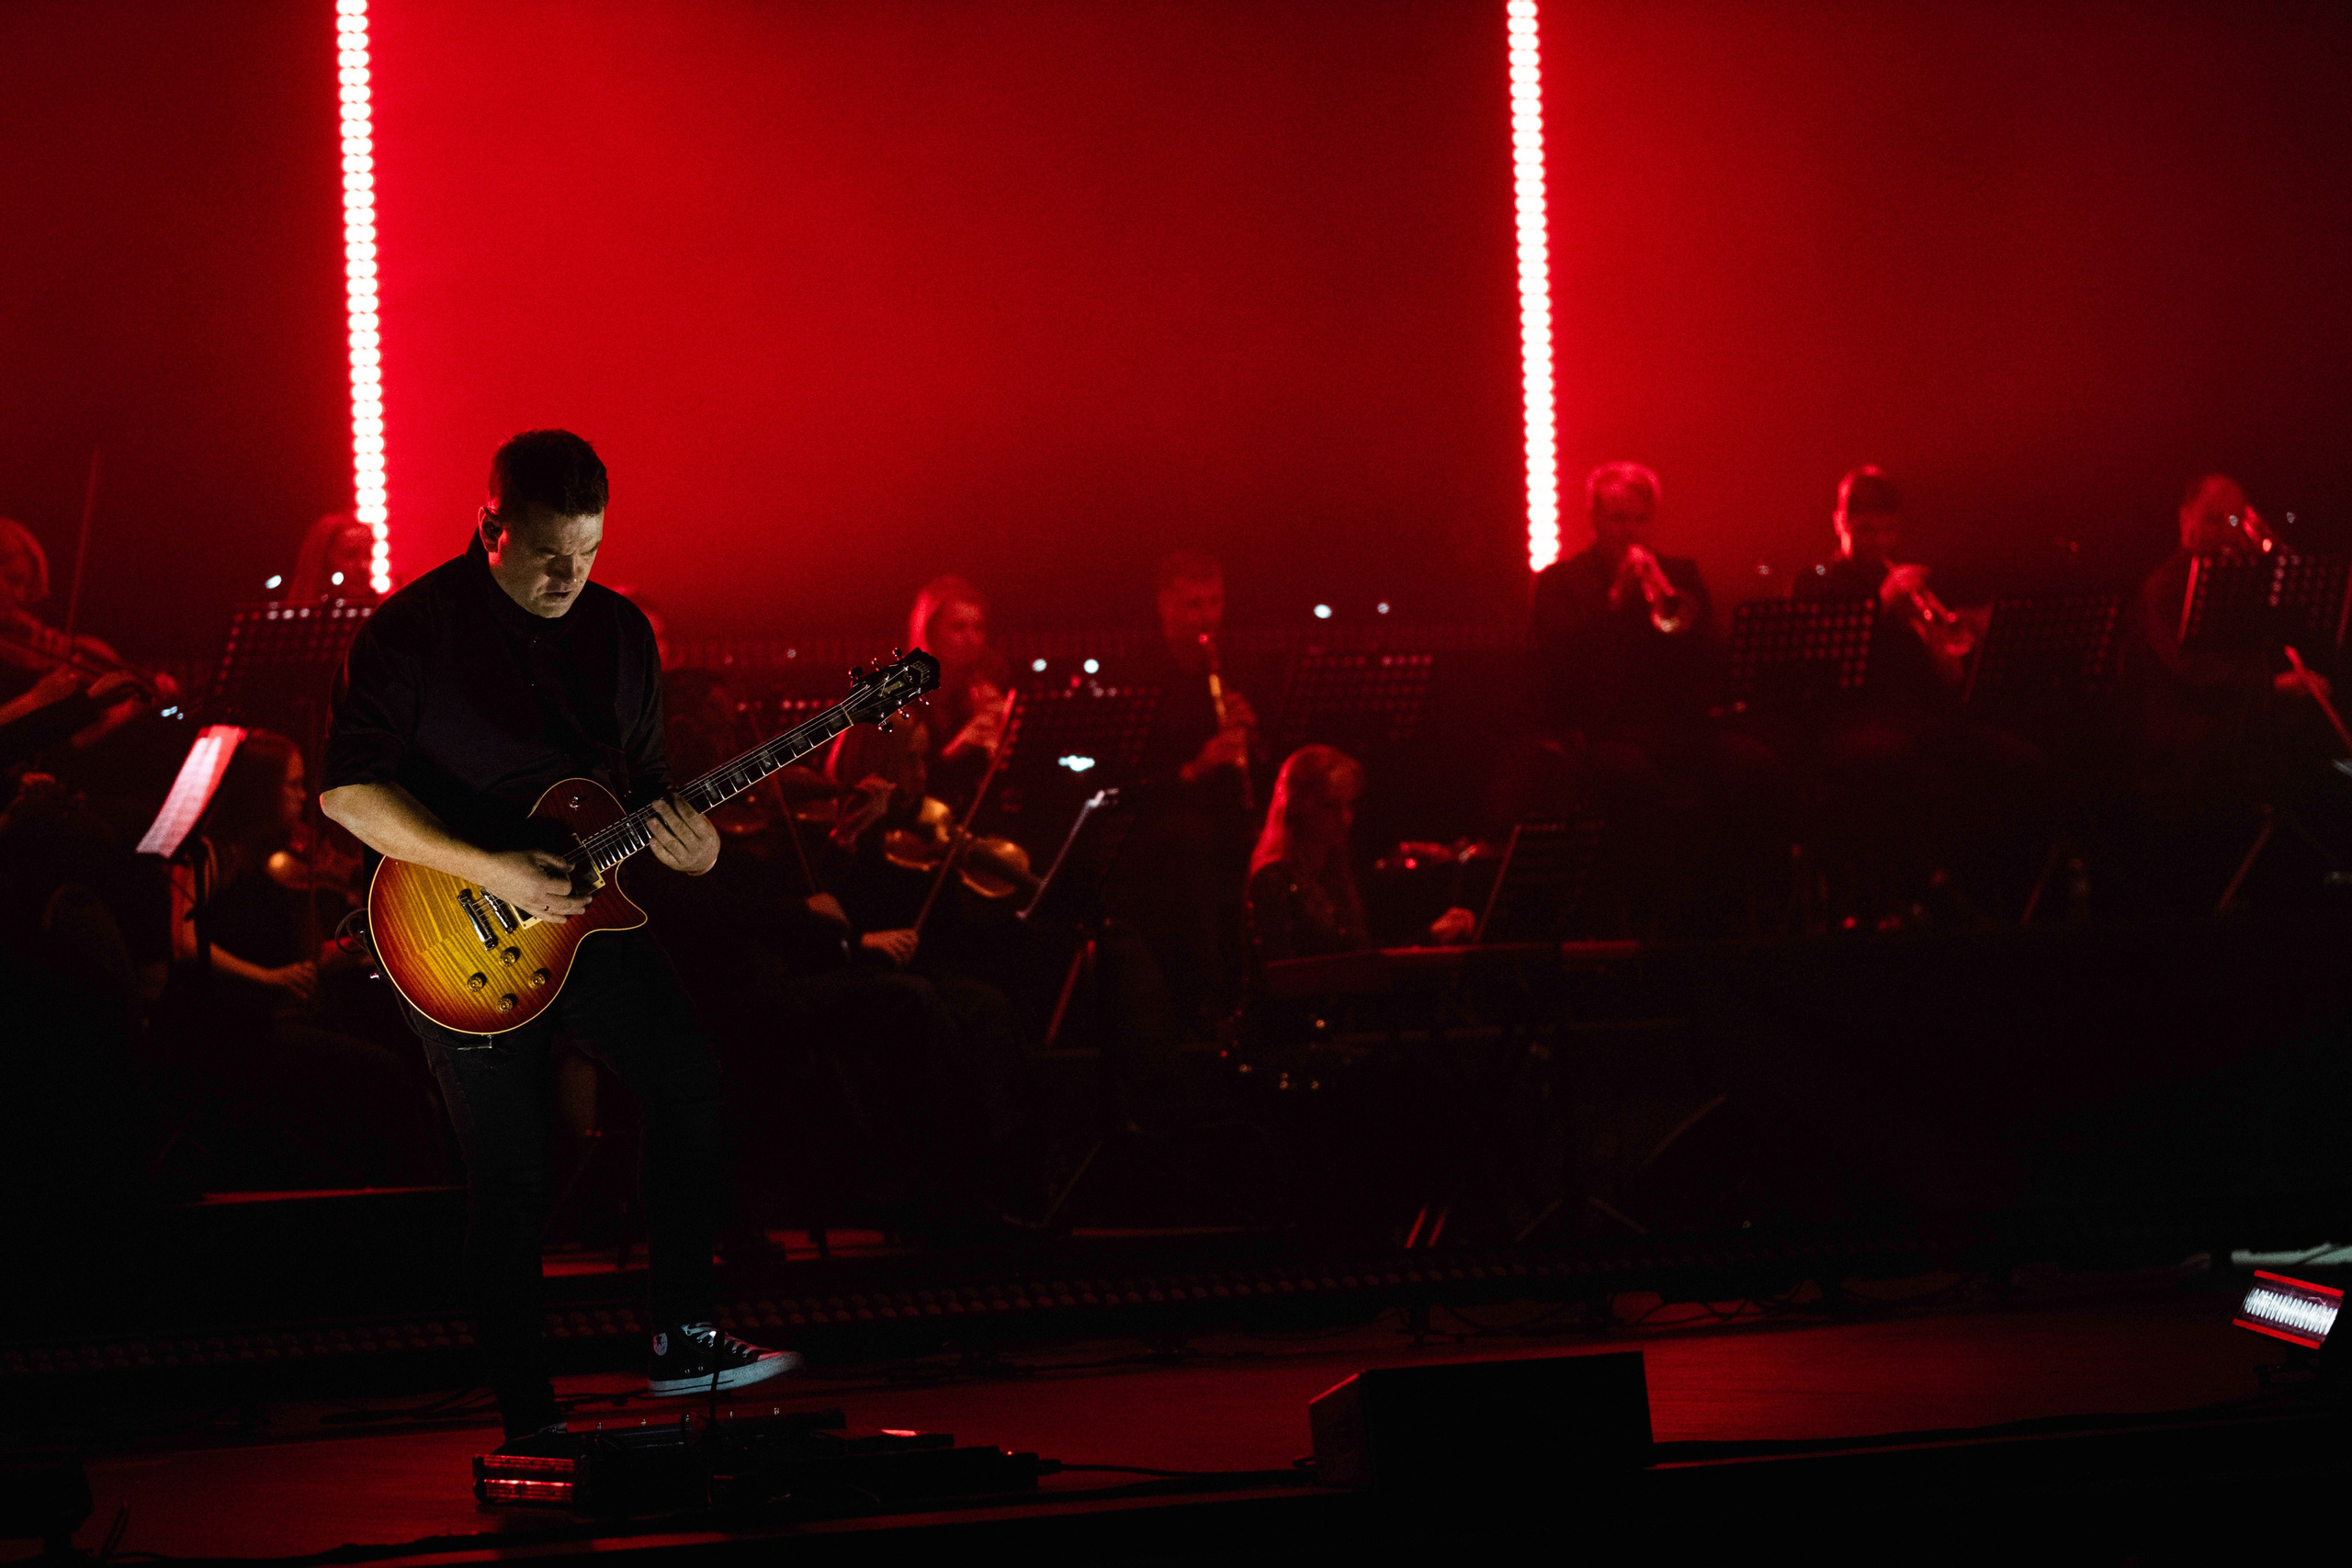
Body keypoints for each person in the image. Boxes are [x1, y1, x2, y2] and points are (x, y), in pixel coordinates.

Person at [319, 430, 797, 1450]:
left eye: (586, 551)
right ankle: (529, 1421)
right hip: (454, 931)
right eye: (546, 553)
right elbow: (349, 791)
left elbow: (649, 785)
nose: (568, 576)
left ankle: (678, 1330)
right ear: (489, 525)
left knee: (689, 1085)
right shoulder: (411, 632)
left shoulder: (619, 632)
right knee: (514, 1171)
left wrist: (696, 848)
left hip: (590, 919)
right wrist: (492, 871)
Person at [164, 730, 439, 1186]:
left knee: (408, 1051)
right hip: (239, 1031)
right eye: (291, 785)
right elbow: (183, 942)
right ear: (259, 791)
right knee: (384, 1075)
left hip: (279, 1017)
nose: (302, 796)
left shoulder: (264, 859)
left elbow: (301, 961)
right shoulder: (208, 853)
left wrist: (364, 952)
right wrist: (269, 978)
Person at [1110, 550, 1260, 1036]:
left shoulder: (1228, 667)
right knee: (1193, 840)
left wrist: (1251, 739)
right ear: (1165, 607)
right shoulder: (1138, 673)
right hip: (1156, 823)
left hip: (1218, 814)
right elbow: (1127, 780)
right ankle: (1205, 1002)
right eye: (1195, 605)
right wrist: (1197, 767)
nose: (1208, 617)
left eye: (1215, 603)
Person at [1248, 745, 1474, 965]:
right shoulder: (1273, 879)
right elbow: (1285, 980)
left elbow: (1362, 963)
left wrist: (1431, 938)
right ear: (1295, 805)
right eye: (1330, 806)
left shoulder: (1336, 875)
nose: (1345, 818)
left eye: (1349, 806)